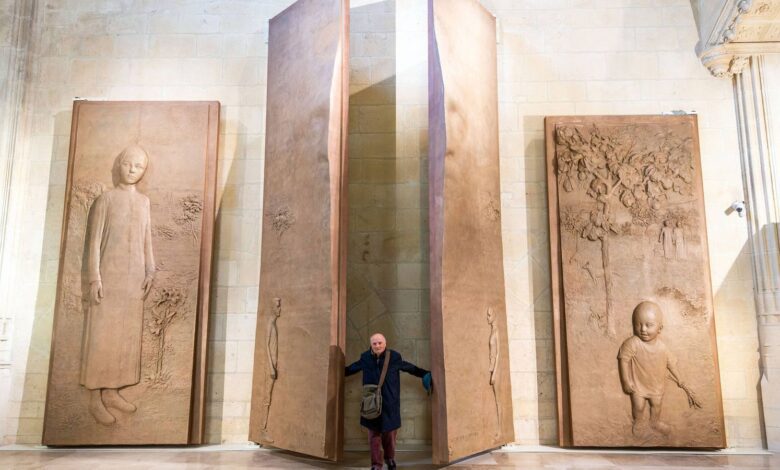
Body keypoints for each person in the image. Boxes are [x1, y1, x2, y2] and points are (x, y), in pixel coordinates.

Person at [81, 145, 155, 426]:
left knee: (123, 338)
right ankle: (94, 397)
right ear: (119, 165)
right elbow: (93, 244)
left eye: (139, 166)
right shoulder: (106, 200)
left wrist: (150, 269)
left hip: (133, 279)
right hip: (108, 279)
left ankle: (112, 391)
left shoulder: (144, 202)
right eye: (129, 164)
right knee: (102, 337)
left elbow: (147, 239)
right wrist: (94, 278)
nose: (133, 170)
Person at [345, 333, 431, 470]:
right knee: (373, 436)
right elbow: (352, 368)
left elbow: (408, 367)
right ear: (371, 345)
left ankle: (389, 458)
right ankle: (376, 465)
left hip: (390, 403)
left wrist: (425, 373)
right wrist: (334, 372)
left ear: (385, 343)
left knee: (389, 435)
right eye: (374, 343)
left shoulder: (394, 357)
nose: (377, 345)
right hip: (371, 404)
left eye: (380, 343)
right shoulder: (365, 357)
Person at [617, 301, 691, 435]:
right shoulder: (633, 343)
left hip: (656, 385)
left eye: (649, 325)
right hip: (638, 386)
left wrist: (680, 379)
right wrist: (626, 381)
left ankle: (654, 422)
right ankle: (638, 422)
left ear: (660, 328)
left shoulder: (663, 348)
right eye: (638, 324)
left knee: (656, 406)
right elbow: (624, 360)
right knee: (638, 407)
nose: (643, 329)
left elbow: (671, 365)